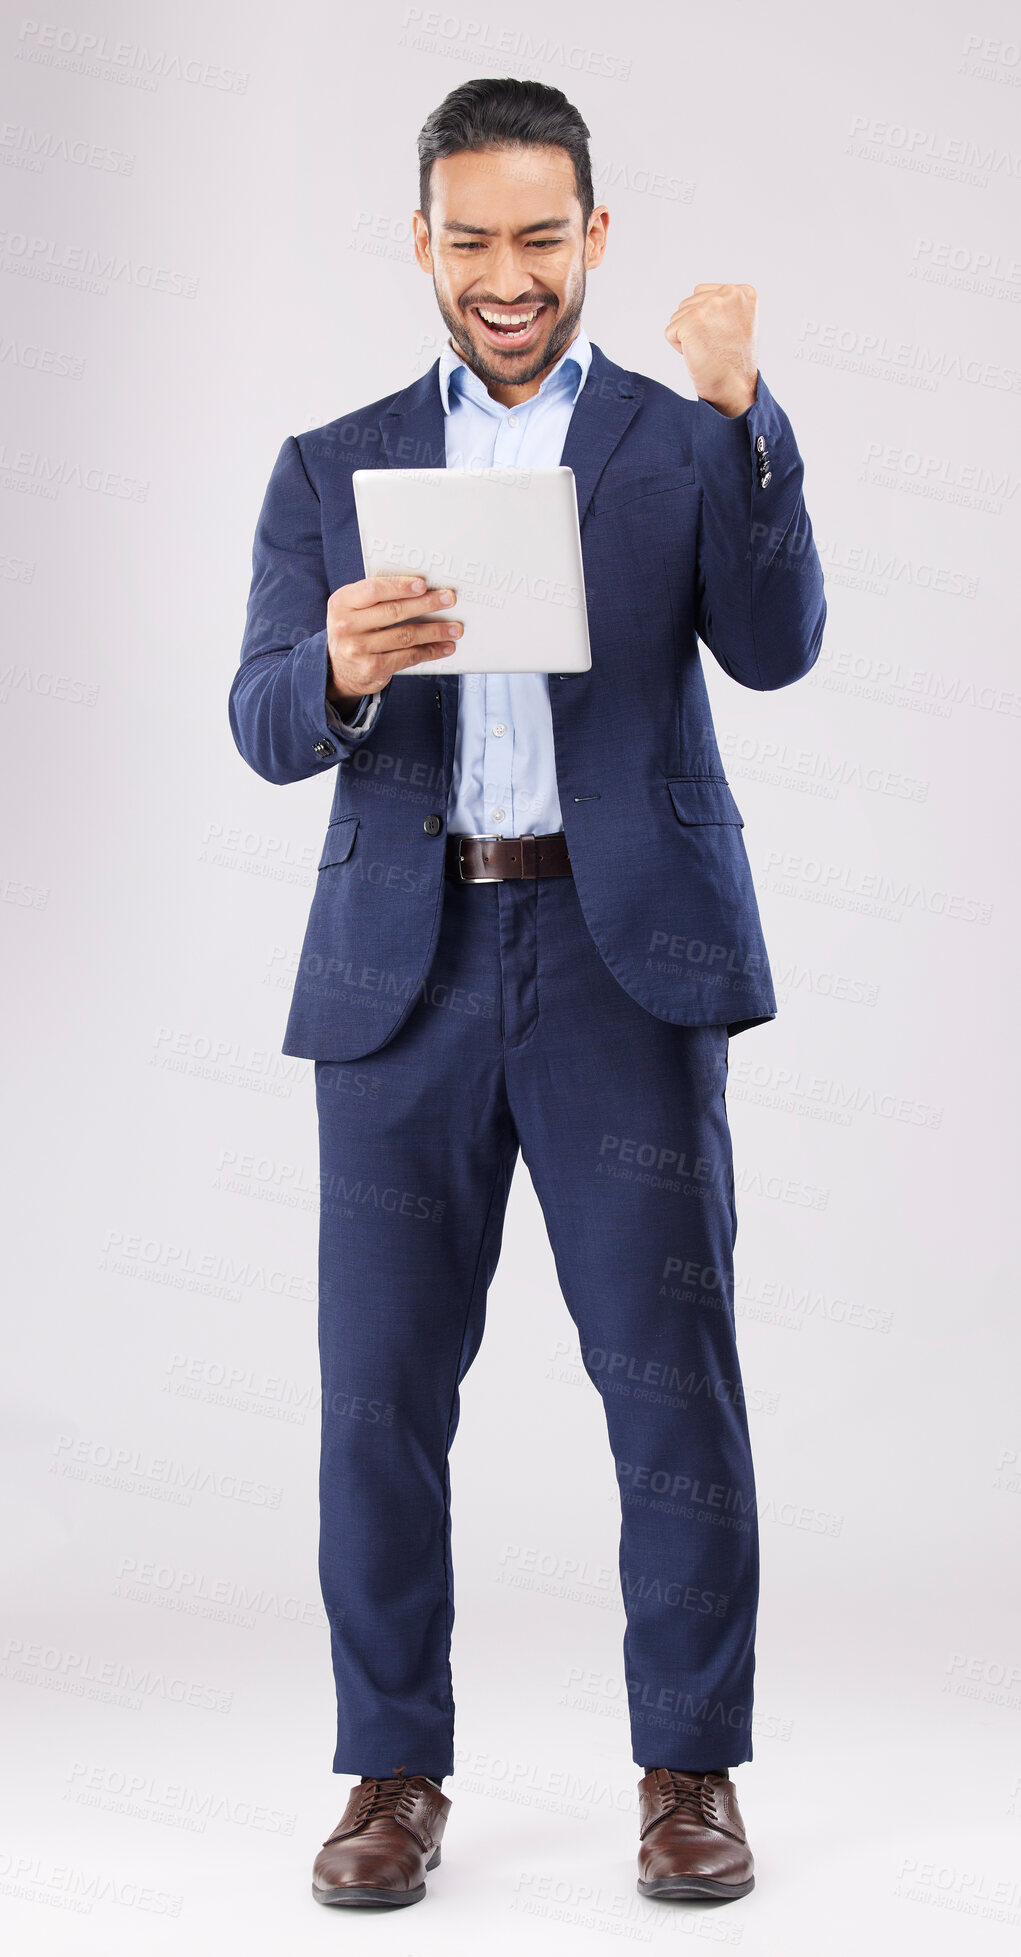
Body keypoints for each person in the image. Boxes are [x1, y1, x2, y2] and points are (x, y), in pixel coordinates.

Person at [229, 76, 826, 1910]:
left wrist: (745, 415)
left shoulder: (670, 436)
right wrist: (331, 666)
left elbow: (777, 642)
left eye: (540, 239)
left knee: (670, 1387)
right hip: (398, 977)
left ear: (592, 239)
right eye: (471, 239)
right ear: (423, 243)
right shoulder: (329, 466)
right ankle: (391, 1773)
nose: (507, 276)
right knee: (376, 1398)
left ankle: (687, 1768)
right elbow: (261, 724)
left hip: (616, 962)